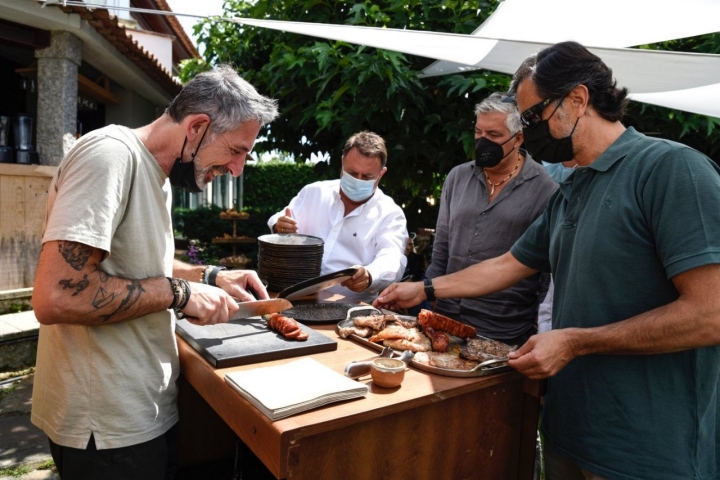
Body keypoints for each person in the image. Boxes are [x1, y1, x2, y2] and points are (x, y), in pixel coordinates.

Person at [375, 41, 720, 480]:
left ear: (578, 99)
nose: (530, 131)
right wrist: (424, 289)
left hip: (648, 450)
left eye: (533, 117)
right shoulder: (572, 191)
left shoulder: (671, 169)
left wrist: (578, 341)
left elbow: (712, 313)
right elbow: (506, 265)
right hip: (569, 435)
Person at [31, 65, 279, 479]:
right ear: (198, 127)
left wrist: (212, 276)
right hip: (106, 427)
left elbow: (140, 264)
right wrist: (179, 293)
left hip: (143, 408)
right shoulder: (110, 155)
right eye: (237, 150)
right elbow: (57, 294)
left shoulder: (158, 175)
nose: (237, 168)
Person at [425, 92, 557, 345]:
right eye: (478, 132)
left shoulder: (545, 189)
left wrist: (542, 326)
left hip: (502, 326)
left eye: (493, 135)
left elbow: (545, 270)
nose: (483, 141)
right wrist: (429, 289)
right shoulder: (458, 177)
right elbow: (442, 242)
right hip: (446, 317)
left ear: (518, 138)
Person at [268, 131, 408, 303]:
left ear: (381, 174)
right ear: (342, 162)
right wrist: (279, 226)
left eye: (367, 177)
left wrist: (370, 275)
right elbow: (281, 218)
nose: (358, 179)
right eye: (352, 172)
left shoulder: (390, 213)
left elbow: (392, 259)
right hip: (295, 299)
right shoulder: (314, 193)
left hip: (349, 311)